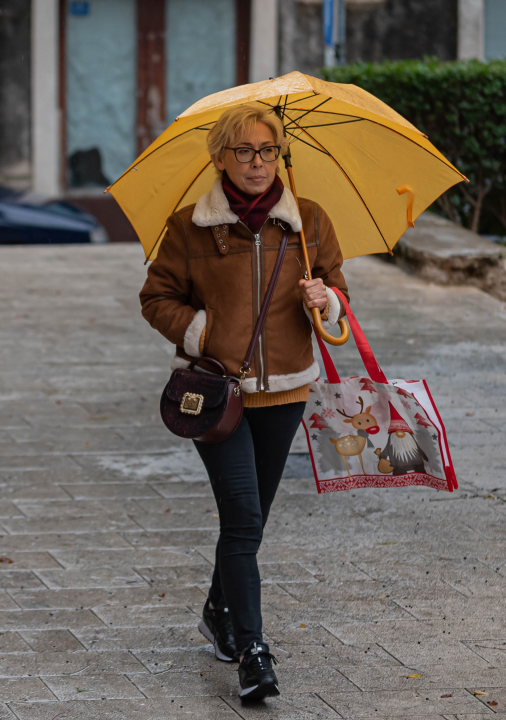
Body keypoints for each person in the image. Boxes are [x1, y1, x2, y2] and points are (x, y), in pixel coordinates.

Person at [138, 104, 348, 701]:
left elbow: (339, 293)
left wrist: (325, 298)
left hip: (286, 391)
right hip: (215, 395)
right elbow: (156, 298)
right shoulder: (190, 227)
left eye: (268, 150)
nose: (258, 163)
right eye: (245, 151)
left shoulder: (307, 221)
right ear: (220, 157)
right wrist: (201, 332)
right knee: (244, 518)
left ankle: (217, 609)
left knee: (248, 521)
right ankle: (254, 652)